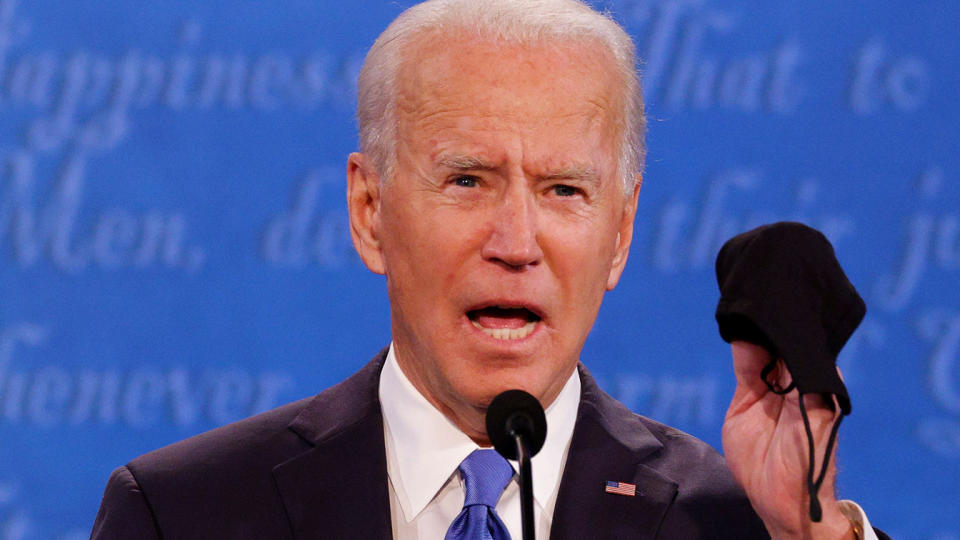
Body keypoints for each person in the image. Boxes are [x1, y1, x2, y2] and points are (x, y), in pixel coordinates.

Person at [91, 1, 885, 538]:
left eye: (564, 190)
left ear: (620, 235)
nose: (516, 241)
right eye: (467, 180)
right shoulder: (182, 513)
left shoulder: (733, 522)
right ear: (370, 212)